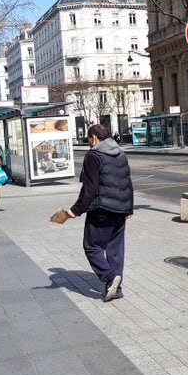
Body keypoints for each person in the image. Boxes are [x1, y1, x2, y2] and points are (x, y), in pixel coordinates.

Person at [59, 124, 133, 302]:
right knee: (115, 249)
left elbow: (90, 189)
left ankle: (109, 277)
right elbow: (128, 182)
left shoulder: (94, 155)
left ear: (94, 138)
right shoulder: (120, 153)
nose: (88, 143)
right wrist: (129, 209)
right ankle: (117, 287)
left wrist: (74, 211)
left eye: (88, 139)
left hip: (102, 209)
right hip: (120, 209)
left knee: (92, 246)